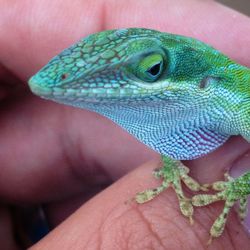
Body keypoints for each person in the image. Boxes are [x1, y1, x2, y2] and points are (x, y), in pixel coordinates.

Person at [0, 0, 249, 249]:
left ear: (205, 81)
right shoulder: (188, 108)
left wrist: (238, 188)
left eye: (152, 68)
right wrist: (172, 163)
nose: (151, 68)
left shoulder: (241, 103)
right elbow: (171, 129)